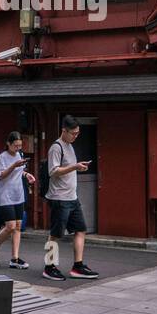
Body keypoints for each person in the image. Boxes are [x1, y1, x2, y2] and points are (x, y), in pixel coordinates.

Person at [43, 115, 98, 281]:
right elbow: (53, 171)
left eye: (77, 133)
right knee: (56, 234)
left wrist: (77, 167)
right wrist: (74, 166)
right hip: (59, 198)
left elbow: (66, 169)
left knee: (81, 230)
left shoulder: (70, 146)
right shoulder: (56, 147)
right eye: (73, 133)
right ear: (64, 131)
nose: (75, 136)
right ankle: (49, 266)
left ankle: (78, 266)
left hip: (72, 197)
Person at [0, 132, 33, 270]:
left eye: (20, 145)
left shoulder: (19, 155)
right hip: (5, 195)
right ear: (8, 144)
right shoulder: (2, 158)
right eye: (15, 145)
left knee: (17, 226)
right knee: (10, 226)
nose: (18, 148)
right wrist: (14, 166)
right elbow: (0, 176)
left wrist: (27, 175)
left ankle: (15, 258)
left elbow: (20, 171)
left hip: (18, 194)